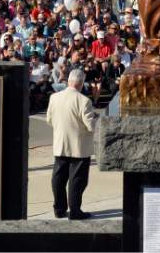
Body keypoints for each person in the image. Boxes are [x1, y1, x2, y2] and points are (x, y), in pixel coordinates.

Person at [45, 69, 97, 220]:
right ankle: (75, 211)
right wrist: (96, 120)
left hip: (60, 143)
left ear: (68, 82)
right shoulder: (84, 101)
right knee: (77, 180)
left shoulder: (54, 97)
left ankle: (59, 209)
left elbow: (49, 120)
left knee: (58, 178)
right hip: (79, 147)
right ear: (81, 84)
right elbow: (91, 126)